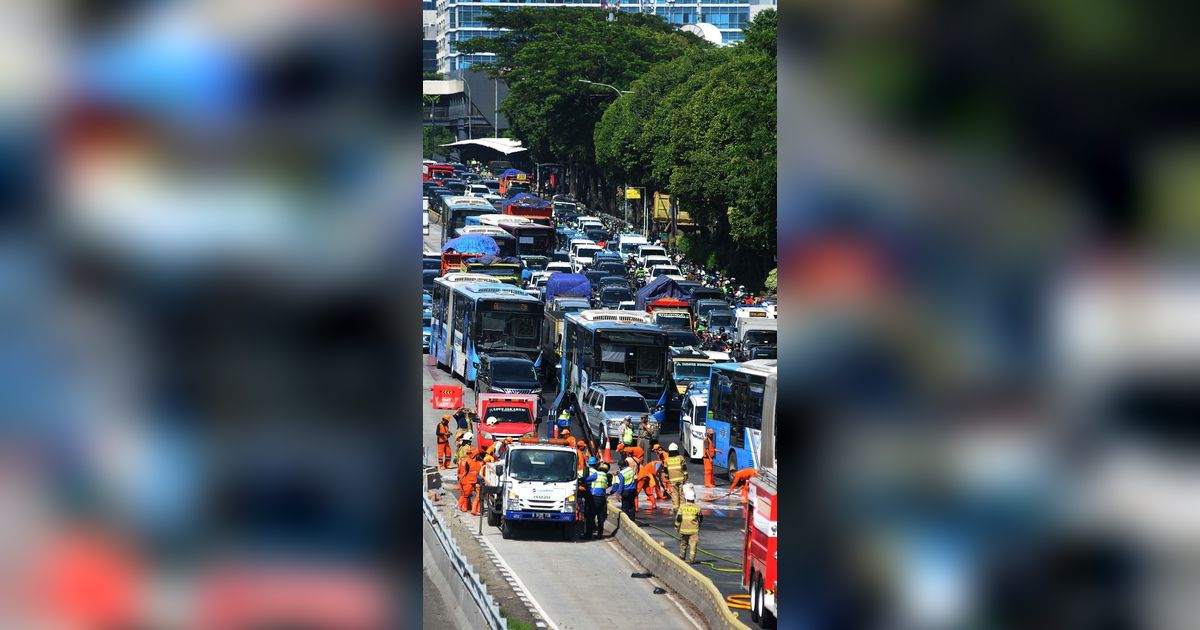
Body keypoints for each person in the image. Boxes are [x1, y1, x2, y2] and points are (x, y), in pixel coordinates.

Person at [675, 484, 703, 564]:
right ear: (693, 498)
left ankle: (682, 557)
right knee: (693, 545)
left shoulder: (682, 507)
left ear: (686, 498)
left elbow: (679, 518)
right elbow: (701, 517)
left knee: (683, 544)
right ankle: (691, 559)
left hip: (683, 529)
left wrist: (676, 527)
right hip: (694, 530)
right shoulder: (697, 507)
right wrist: (699, 525)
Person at [581, 456, 608, 539]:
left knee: (591, 516)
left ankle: (588, 534)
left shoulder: (597, 474)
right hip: (602, 497)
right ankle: (600, 534)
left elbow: (587, 479)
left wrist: (582, 480)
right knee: (600, 516)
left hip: (594, 497)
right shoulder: (605, 476)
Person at [665, 443, 688, 514]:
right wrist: (686, 476)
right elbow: (684, 468)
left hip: (672, 480)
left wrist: (667, 479)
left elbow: (666, 471)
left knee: (675, 494)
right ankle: (683, 509)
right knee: (681, 494)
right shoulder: (680, 457)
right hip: (681, 479)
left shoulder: (667, 459)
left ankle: (676, 509)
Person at [457, 447, 481, 513]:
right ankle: (463, 507)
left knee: (474, 495)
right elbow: (465, 471)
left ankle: (471, 508)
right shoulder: (468, 461)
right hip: (468, 481)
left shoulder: (479, 462)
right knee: (466, 495)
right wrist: (461, 479)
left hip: (476, 481)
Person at [616, 455, 639, 520]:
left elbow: (621, 484)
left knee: (625, 507)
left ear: (620, 466)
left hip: (626, 491)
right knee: (631, 505)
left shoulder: (622, 473)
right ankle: (632, 519)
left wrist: (619, 493)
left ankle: (626, 521)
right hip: (633, 489)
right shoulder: (631, 470)